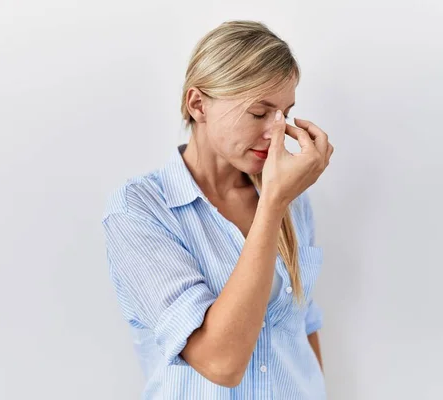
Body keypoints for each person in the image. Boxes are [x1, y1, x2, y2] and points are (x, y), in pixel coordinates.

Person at [102, 20, 334, 399]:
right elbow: (221, 363)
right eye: (259, 112)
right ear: (198, 105)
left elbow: (303, 324)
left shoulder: (292, 199)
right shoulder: (140, 211)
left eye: (285, 113)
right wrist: (273, 204)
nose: (277, 131)